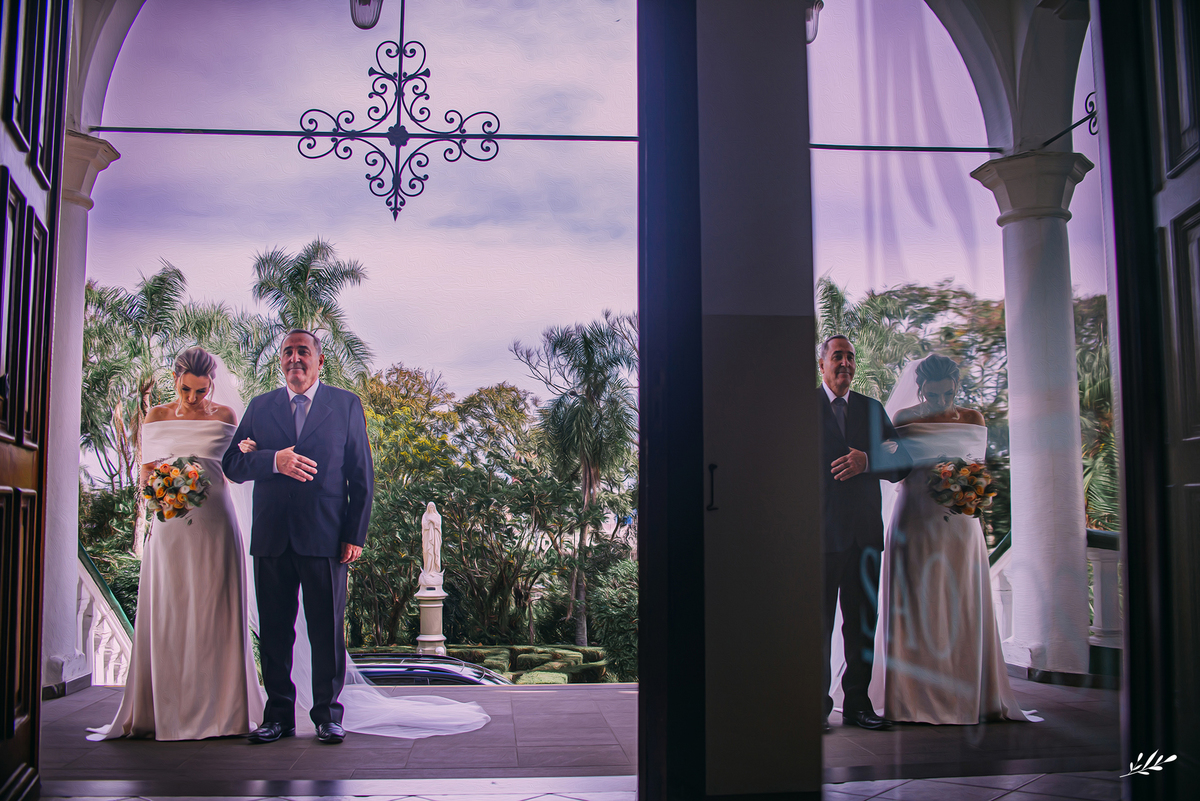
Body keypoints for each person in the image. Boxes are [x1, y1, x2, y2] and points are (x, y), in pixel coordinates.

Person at [88, 347, 265, 741]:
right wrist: (165, 493)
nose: (192, 399)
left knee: (214, 610)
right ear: (175, 380)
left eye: (201, 391)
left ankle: (223, 712)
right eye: (186, 389)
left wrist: (247, 455)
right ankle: (166, 709)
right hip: (169, 523)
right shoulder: (157, 416)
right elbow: (148, 472)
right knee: (170, 611)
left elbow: (234, 475)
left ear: (212, 385)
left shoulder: (226, 416)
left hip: (217, 523)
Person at [222, 329, 373, 745]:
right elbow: (233, 464)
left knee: (326, 630)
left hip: (326, 539)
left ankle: (327, 715)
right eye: (287, 352)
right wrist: (273, 460)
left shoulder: (345, 405)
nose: (294, 359)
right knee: (274, 632)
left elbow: (361, 477)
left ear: (319, 360)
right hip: (271, 538)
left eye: (302, 352)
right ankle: (278, 717)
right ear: (281, 361)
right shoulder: (260, 406)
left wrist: (354, 533)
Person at [871, 353, 1033, 724]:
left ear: (956, 387)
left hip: (960, 519)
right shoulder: (904, 418)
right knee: (915, 602)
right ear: (921, 388)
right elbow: (897, 467)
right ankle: (911, 699)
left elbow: (977, 465)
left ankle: (969, 695)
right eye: (933, 394)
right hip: (915, 517)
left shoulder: (974, 418)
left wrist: (970, 488)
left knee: (962, 602)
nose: (941, 401)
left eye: (947, 394)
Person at [817, 335, 911, 732]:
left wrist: (868, 460)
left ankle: (857, 704)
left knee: (861, 625)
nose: (845, 363)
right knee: (815, 627)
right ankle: (813, 706)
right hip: (817, 538)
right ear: (821, 363)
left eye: (850, 357)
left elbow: (903, 461)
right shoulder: (799, 408)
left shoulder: (872, 411)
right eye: (837, 356)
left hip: (865, 538)